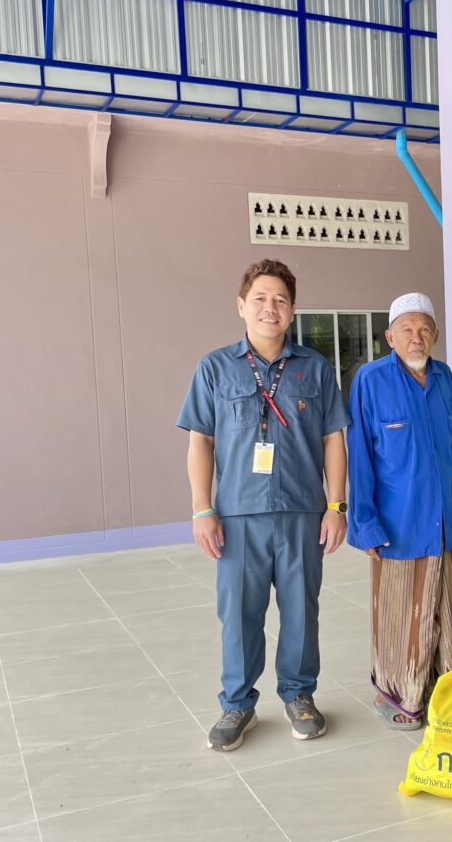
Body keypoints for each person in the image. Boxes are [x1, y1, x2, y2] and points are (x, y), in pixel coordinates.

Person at [177, 259, 350, 750]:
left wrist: (336, 506)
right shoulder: (214, 368)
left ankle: (299, 696)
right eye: (260, 298)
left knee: (301, 611)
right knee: (238, 614)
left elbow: (334, 440)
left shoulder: (316, 369)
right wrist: (201, 509)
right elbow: (200, 441)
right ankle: (238, 704)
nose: (269, 308)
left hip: (302, 513)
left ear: (292, 310)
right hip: (237, 517)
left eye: (280, 300)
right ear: (241, 306)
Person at [347, 293, 452, 730]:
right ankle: (397, 691)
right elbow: (359, 457)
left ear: (436, 335)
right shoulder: (371, 380)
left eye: (424, 329)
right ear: (390, 337)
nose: (416, 337)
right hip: (397, 525)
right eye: (406, 329)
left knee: (446, 608)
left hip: (441, 521)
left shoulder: (444, 378)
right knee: (399, 613)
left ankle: (450, 687)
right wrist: (364, 524)